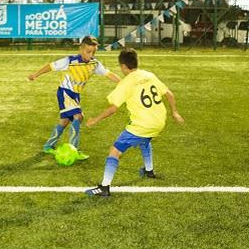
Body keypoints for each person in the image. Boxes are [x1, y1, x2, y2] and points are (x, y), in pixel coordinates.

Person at [85, 48, 184, 197]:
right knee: (145, 141)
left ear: (124, 66)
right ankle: (149, 171)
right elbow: (169, 94)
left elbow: (113, 108)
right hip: (159, 122)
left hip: (143, 124)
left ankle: (104, 187)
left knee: (115, 150)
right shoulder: (149, 75)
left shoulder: (126, 83)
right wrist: (174, 112)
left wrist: (95, 120)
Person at [28, 35, 121, 161]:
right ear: (81, 49)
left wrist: (123, 83)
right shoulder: (70, 61)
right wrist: (35, 74)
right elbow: (50, 66)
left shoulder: (95, 63)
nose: (90, 55)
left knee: (65, 120)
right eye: (88, 52)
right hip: (65, 92)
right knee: (78, 116)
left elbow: (108, 74)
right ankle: (74, 150)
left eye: (93, 52)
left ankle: (48, 146)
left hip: (75, 95)